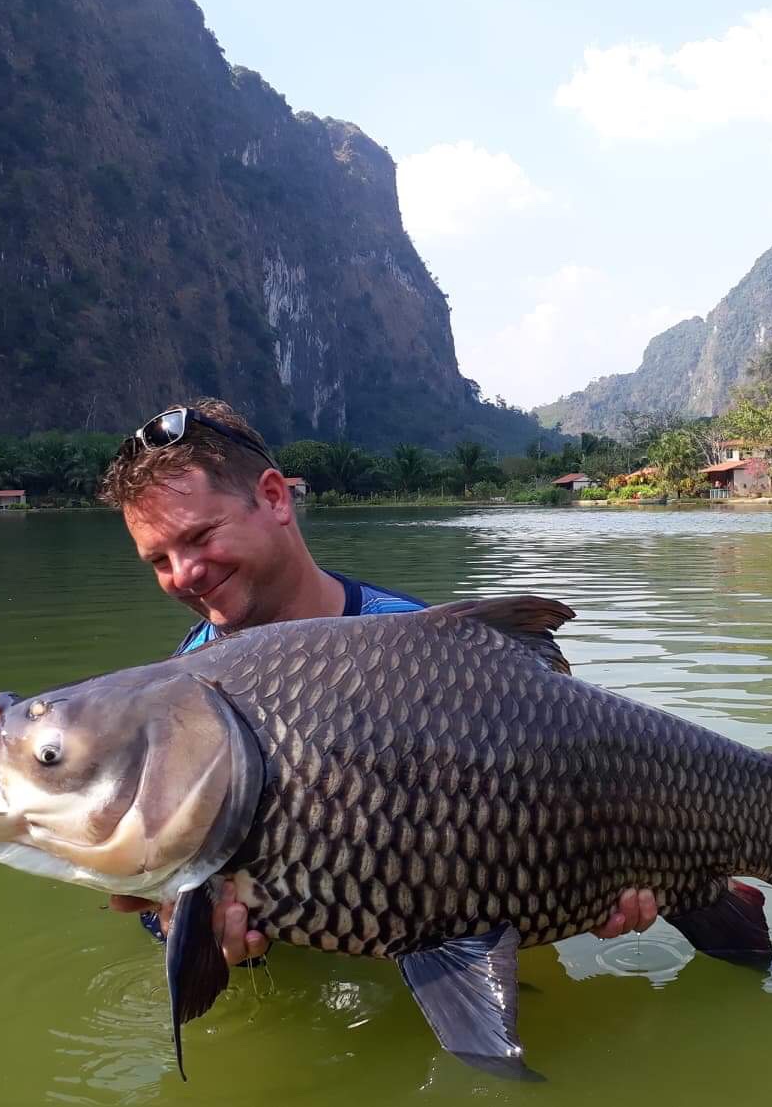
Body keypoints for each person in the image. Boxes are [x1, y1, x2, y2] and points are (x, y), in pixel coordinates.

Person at [97, 398, 658, 966]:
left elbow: (540, 796)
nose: (184, 575)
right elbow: (161, 877)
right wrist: (179, 927)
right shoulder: (189, 678)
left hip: (438, 955)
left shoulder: (418, 647)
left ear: (274, 497)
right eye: (159, 560)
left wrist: (590, 881)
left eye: (200, 536)